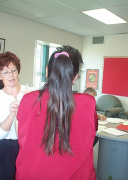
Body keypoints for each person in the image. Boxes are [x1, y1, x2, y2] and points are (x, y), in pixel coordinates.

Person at [15, 45, 97, 180]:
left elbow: (21, 137)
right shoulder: (88, 103)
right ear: (75, 77)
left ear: (47, 71)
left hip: (32, 174)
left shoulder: (28, 100)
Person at [0, 51, 27, 180]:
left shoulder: (30, 93)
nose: (11, 75)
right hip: (6, 149)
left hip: (27, 147)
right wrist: (11, 115)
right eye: (5, 72)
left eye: (13, 70)